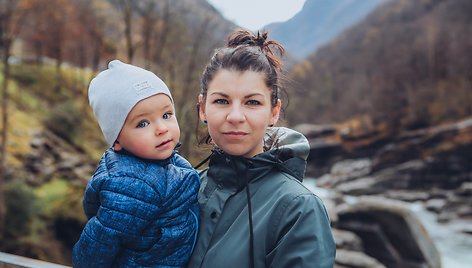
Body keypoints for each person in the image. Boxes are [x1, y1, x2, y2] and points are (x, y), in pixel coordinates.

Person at [187, 29, 336, 268]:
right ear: (202, 108)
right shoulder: (184, 191)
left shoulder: (298, 209)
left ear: (274, 112)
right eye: (222, 101)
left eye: (252, 102)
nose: (235, 116)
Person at [72, 60, 200, 267]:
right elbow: (98, 245)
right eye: (143, 123)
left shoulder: (167, 162)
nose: (162, 128)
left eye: (166, 115)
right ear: (117, 140)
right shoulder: (133, 185)